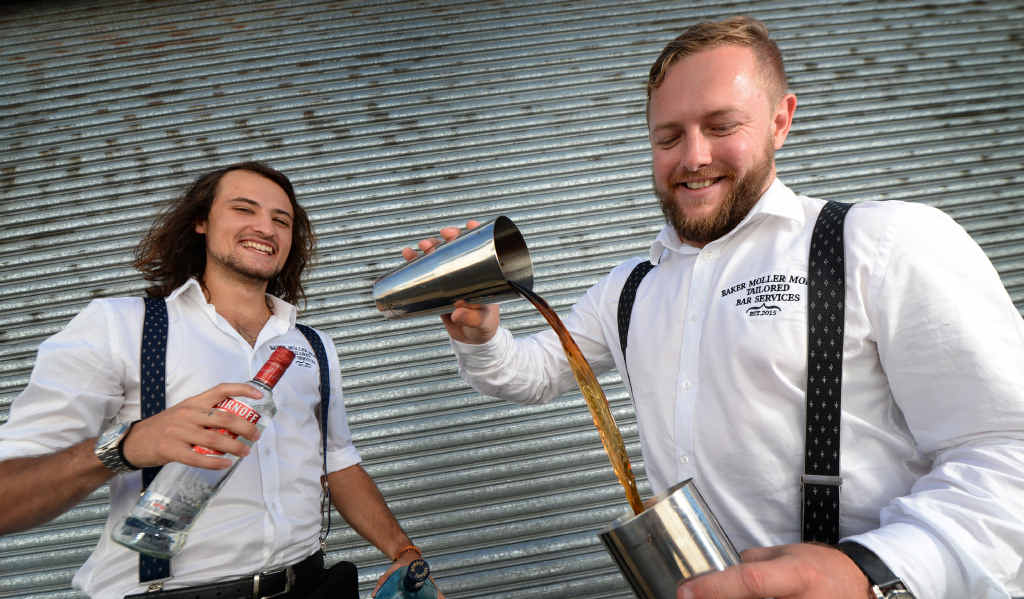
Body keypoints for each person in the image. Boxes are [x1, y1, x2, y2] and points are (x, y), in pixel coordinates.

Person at [403, 16, 1024, 599]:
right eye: (668, 136)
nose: (693, 157)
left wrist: (873, 571)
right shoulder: (630, 287)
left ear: (781, 121)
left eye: (722, 126)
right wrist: (480, 334)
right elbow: (532, 373)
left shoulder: (882, 242)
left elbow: (1006, 449)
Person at [0, 161, 442, 599]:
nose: (265, 228)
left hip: (310, 586)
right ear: (201, 222)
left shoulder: (313, 345)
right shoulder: (120, 326)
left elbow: (339, 463)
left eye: (281, 220)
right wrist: (126, 446)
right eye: (244, 209)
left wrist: (403, 551)